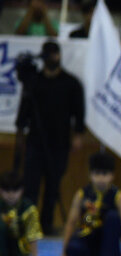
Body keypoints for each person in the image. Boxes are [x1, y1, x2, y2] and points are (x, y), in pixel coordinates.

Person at [15, 40, 85, 235]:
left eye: (56, 54)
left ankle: (45, 225)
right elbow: (24, 110)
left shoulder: (71, 84)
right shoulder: (34, 82)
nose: (53, 58)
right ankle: (27, 226)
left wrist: (78, 133)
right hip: (35, 142)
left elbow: (78, 112)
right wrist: (20, 134)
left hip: (60, 143)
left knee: (53, 187)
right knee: (31, 187)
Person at [57, 152, 121, 256]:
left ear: (112, 175)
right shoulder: (81, 194)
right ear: (90, 175)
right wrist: (65, 254)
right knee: (73, 246)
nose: (101, 178)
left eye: (105, 174)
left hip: (109, 240)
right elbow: (71, 223)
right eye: (97, 174)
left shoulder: (118, 196)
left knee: (113, 216)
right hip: (90, 239)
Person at [0, 171, 42, 256]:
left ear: (22, 190)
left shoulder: (29, 209)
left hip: (18, 250)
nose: (11, 195)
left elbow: (33, 237)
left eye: (15, 191)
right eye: (6, 191)